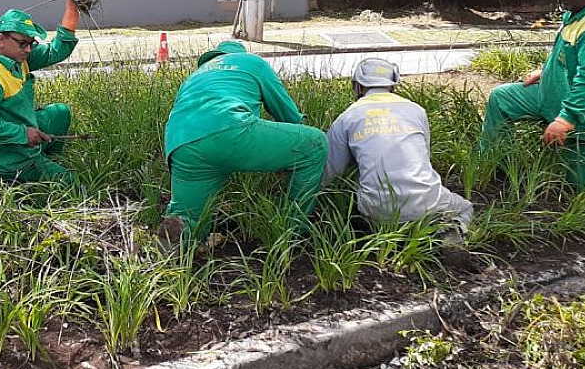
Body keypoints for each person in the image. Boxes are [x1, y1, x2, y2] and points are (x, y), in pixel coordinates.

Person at [159, 41, 329, 244]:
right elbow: (289, 116)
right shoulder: (250, 61)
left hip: (181, 144)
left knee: (191, 220)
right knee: (315, 144)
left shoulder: (193, 77)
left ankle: (179, 238)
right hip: (230, 129)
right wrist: (287, 156)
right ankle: (291, 231)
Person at [479, 0, 585, 189]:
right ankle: (492, 164)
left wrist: (566, 120)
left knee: (581, 187)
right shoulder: (576, 13)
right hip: (551, 94)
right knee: (501, 98)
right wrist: (545, 71)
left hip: (584, 114)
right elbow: (568, 54)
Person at [324, 58, 473, 234]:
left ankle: (381, 234)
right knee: (465, 208)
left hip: (377, 210)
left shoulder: (347, 117)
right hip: (427, 202)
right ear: (393, 86)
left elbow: (330, 172)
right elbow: (425, 156)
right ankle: (451, 232)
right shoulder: (416, 110)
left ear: (357, 87)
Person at [0, 0, 80, 184]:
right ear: (1, 39)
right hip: (4, 155)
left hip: (20, 126)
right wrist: (22, 134)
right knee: (71, 184)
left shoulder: (19, 58)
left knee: (60, 113)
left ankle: (47, 160)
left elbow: (56, 50)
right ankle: (14, 174)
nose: (28, 49)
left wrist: (72, 6)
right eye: (22, 43)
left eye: (31, 44)